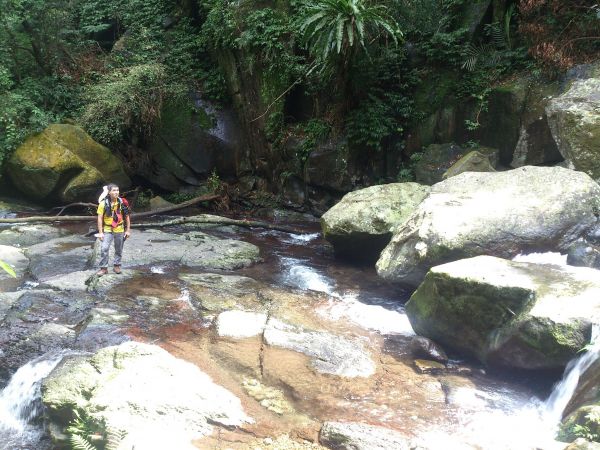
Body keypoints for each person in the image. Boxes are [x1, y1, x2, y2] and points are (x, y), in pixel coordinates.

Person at [96, 184, 131, 275]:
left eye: (117, 190)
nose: (116, 192)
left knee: (119, 249)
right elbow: (100, 218)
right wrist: (100, 232)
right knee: (104, 248)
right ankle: (104, 268)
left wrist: (128, 230)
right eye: (114, 190)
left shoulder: (122, 202)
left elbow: (127, 216)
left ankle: (117, 266)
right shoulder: (103, 203)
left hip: (119, 228)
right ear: (109, 192)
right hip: (108, 229)